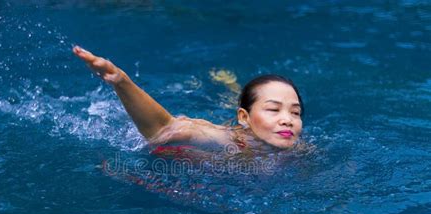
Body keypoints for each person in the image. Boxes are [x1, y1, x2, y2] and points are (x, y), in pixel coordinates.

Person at [73, 46, 304, 152]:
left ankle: (230, 87)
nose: (288, 120)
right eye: (274, 109)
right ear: (244, 117)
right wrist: (121, 81)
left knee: (235, 98)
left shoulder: (302, 151)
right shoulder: (228, 142)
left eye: (295, 112)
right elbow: (164, 130)